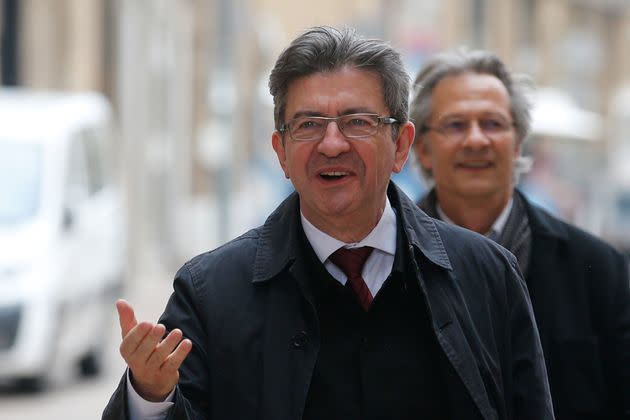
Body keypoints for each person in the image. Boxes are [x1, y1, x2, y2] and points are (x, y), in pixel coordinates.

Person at [103, 27, 554, 420]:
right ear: (280, 151)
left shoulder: (488, 276)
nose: (332, 144)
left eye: (357, 121)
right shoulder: (211, 293)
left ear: (401, 145)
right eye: (309, 124)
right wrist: (151, 396)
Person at [410, 48, 630, 420]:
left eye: (493, 123)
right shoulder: (383, 260)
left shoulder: (598, 268)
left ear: (518, 143)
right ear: (422, 148)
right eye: (455, 125)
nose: (476, 140)